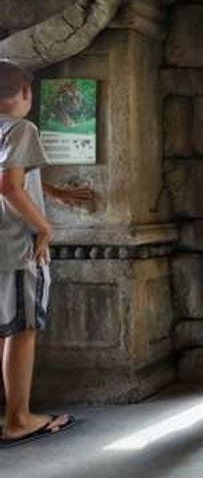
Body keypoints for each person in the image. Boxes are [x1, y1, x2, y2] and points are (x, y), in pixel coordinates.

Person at [0, 61, 92, 448]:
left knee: (4, 328)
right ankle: (19, 418)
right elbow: (9, 184)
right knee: (23, 331)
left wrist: (56, 194)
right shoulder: (22, 127)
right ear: (24, 94)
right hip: (19, 246)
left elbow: (18, 178)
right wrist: (45, 226)